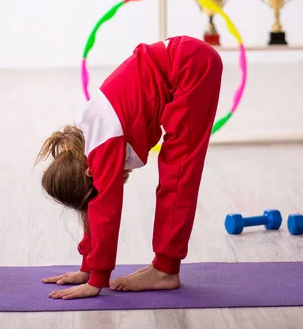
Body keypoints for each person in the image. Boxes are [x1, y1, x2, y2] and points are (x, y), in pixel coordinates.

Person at [36, 35, 223, 299]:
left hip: (191, 67)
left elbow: (105, 206)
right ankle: (164, 267)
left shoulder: (102, 142)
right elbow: (94, 201)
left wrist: (97, 280)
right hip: (185, 60)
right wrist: (87, 267)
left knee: (179, 174)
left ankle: (166, 271)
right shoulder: (86, 138)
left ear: (88, 171)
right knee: (175, 170)